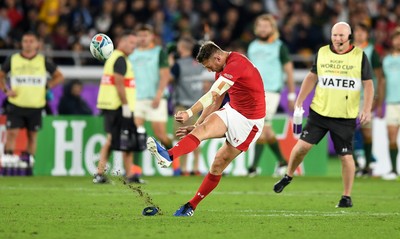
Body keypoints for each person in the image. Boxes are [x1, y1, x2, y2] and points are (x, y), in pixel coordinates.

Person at [147, 41, 266, 216]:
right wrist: (197, 124)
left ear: (218, 57)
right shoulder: (222, 69)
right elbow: (217, 101)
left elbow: (212, 94)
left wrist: (189, 113)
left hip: (250, 122)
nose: (209, 71)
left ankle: (191, 205)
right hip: (233, 110)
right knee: (202, 130)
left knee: (218, 164)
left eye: (208, 66)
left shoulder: (236, 64)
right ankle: (169, 155)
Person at [273, 22, 374, 208]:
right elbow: (312, 76)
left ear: (349, 36)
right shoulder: (322, 52)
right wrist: (299, 100)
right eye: (335, 35)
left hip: (345, 116)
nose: (338, 39)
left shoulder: (359, 56)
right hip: (319, 113)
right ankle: (288, 175)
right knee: (301, 147)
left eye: (342, 35)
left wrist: (367, 108)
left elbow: (368, 83)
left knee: (345, 157)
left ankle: (346, 196)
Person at [0, 32, 64, 163]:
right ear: (21, 43)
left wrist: (48, 85)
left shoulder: (42, 60)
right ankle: (8, 163)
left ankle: (28, 165)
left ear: (37, 44)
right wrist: (6, 90)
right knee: (12, 134)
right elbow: (1, 74)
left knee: (32, 136)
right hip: (16, 103)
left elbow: (59, 76)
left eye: (31, 41)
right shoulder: (13, 59)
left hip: (36, 105)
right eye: (25, 41)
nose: (28, 44)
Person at [247, 14, 296, 177]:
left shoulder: (279, 46)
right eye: (260, 25)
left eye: (266, 26)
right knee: (266, 130)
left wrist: (291, 94)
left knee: (261, 127)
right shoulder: (252, 46)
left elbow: (289, 70)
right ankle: (283, 163)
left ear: (272, 28)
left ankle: (253, 167)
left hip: (271, 92)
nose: (263, 29)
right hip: (254, 92)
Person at [93, 31, 144, 184]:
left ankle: (127, 173)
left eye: (135, 45)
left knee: (119, 139)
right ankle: (102, 173)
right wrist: (126, 105)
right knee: (118, 139)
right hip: (118, 106)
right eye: (130, 43)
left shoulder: (115, 58)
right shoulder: (120, 59)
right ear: (121, 42)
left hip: (112, 105)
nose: (133, 47)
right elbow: (119, 82)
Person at [170, 36, 211, 176]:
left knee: (182, 137)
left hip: (182, 107)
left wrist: (170, 63)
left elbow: (168, 79)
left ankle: (183, 169)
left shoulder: (178, 64)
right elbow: (207, 84)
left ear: (181, 48)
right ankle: (195, 167)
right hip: (196, 107)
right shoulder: (200, 64)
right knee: (195, 137)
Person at [128, 24, 172, 149]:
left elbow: (165, 75)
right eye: (140, 35)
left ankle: (175, 162)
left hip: (155, 98)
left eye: (145, 35)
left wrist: (158, 95)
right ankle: (134, 168)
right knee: (135, 134)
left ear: (151, 36)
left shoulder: (159, 53)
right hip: (137, 99)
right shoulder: (131, 54)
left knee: (161, 135)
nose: (143, 38)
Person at [352, 23, 385, 177]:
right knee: (345, 132)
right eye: (357, 32)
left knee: (366, 132)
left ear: (367, 35)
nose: (359, 35)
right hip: (349, 97)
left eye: (362, 32)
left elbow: (378, 76)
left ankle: (367, 165)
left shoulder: (372, 52)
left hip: (366, 97)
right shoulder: (348, 49)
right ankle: (355, 165)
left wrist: (376, 98)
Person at [381, 28, 400, 180]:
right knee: (392, 138)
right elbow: (383, 82)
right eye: (396, 38)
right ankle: (394, 170)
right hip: (392, 103)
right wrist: (380, 103)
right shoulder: (386, 60)